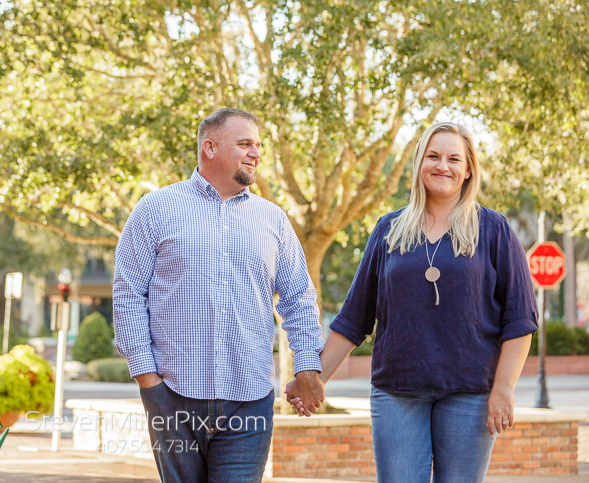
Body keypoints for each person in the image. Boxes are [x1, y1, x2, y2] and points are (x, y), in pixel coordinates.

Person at [288, 122, 538, 482]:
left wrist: (503, 389)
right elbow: (354, 319)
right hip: (397, 392)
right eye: (433, 156)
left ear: (469, 169)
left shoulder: (494, 230)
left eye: (454, 158)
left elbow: (519, 320)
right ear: (419, 162)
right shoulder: (389, 230)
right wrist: (313, 381)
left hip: (470, 393)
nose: (443, 166)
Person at [113, 108, 325, 483]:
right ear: (209, 147)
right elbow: (128, 294)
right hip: (172, 396)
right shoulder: (155, 209)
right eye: (245, 143)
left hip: (251, 400)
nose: (255, 153)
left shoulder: (273, 219)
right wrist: (147, 379)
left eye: (258, 145)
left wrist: (306, 369)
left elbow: (298, 300)